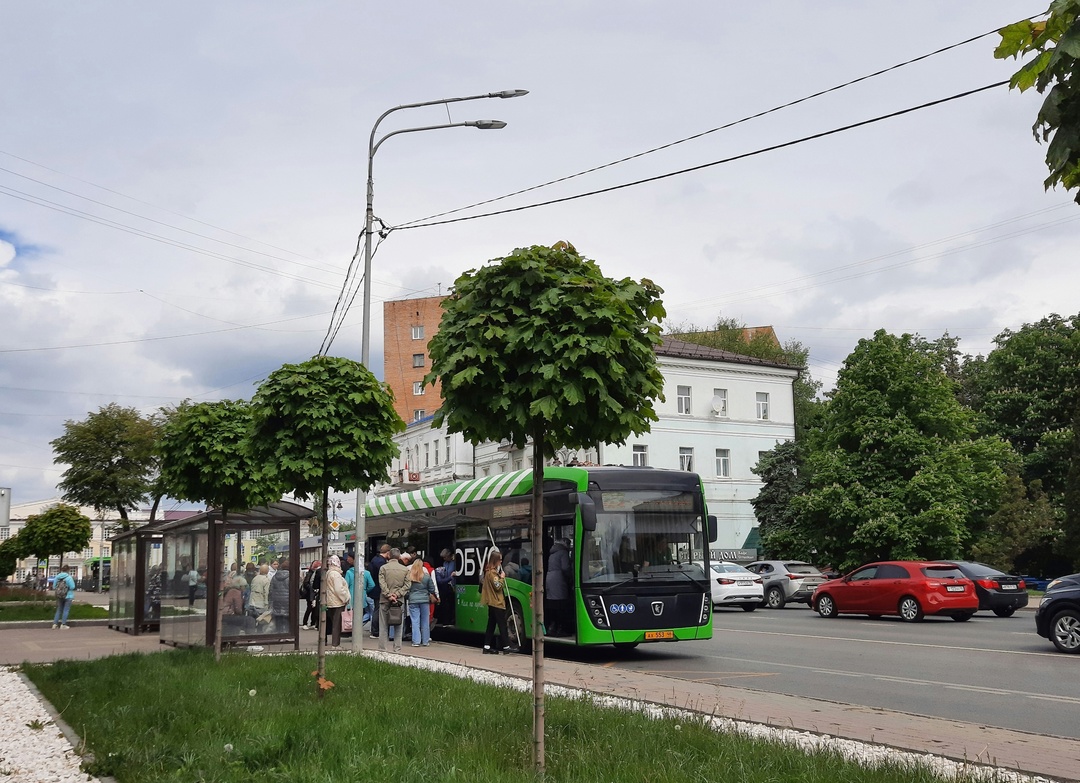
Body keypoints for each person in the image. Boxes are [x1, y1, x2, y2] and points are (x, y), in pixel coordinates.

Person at [377, 548, 409, 653]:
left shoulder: (383, 568)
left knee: (383, 625)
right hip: (399, 601)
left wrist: (388, 595)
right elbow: (408, 585)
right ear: (399, 557)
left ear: (389, 556)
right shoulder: (405, 569)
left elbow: (382, 583)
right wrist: (397, 594)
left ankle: (383, 649)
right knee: (399, 625)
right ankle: (397, 649)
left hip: (385, 600)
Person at [480, 550, 511, 654]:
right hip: (497, 603)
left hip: (492, 603)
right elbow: (498, 586)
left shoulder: (488, 572)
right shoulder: (493, 573)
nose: (501, 562)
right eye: (500, 560)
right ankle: (506, 647)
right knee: (502, 625)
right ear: (495, 560)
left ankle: (486, 646)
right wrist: (502, 578)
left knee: (491, 625)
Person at [546, 538, 574, 637]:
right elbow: (565, 568)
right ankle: (561, 629)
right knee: (561, 605)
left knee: (553, 605)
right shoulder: (563, 553)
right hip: (559, 581)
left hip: (550, 580)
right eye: (569, 544)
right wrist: (571, 578)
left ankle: (552, 627)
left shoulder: (552, 553)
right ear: (566, 543)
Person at [406, 558, 437, 647]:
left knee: (415, 621)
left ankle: (416, 641)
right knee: (425, 621)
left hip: (413, 600)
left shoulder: (409, 577)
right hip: (424, 601)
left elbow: (406, 589)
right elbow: (432, 589)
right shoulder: (426, 576)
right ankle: (425, 641)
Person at [323, 555, 350, 648]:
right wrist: (346, 597)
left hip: (330, 601)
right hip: (337, 602)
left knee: (334, 623)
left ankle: (335, 643)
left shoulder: (329, 573)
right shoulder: (336, 575)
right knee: (337, 624)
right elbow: (339, 589)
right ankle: (335, 644)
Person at [368, 544, 390, 638]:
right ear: (388, 553)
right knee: (378, 609)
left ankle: (374, 629)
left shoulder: (374, 559)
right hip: (379, 589)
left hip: (375, 588)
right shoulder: (381, 562)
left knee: (377, 609)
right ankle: (376, 630)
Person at [268, 557, 291, 633]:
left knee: (278, 618)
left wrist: (271, 601)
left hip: (276, 600)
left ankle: (279, 634)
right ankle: (286, 634)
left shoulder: (275, 577)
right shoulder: (290, 577)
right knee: (286, 618)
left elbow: (271, 590)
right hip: (287, 600)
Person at [435, 548, 457, 625]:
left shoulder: (454, 563)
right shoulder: (445, 563)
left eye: (445, 557)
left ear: (449, 556)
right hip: (446, 585)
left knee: (452, 603)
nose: (444, 559)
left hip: (453, 585)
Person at [51, 564, 76, 629]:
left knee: (59, 610)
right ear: (68, 570)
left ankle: (54, 624)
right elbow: (72, 587)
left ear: (62, 570)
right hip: (68, 596)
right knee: (66, 610)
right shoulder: (69, 577)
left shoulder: (57, 577)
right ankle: (63, 624)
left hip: (59, 595)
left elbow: (54, 586)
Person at [300, 561, 320, 630]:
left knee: (314, 609)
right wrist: (312, 588)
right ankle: (305, 623)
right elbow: (306, 583)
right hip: (310, 594)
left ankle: (313, 623)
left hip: (313, 593)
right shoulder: (310, 573)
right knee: (309, 608)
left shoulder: (314, 573)